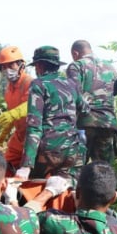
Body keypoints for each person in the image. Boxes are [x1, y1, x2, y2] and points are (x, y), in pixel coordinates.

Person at [15, 46, 87, 183]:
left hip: (49, 151)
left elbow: (34, 126)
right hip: (73, 149)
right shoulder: (71, 84)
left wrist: (26, 165)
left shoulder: (39, 85)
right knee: (66, 193)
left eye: (36, 66)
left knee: (33, 190)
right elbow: (84, 109)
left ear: (40, 66)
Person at [67, 40, 117, 164]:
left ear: (75, 53)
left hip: (84, 123)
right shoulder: (111, 68)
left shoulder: (76, 66)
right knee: (104, 167)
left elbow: (73, 95)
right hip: (107, 122)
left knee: (77, 167)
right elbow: (116, 92)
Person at [0, 46, 33, 173]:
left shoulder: (30, 83)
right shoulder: (9, 89)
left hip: (34, 136)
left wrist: (14, 113)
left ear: (21, 65)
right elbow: (12, 116)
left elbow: (33, 104)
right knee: (5, 167)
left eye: (11, 66)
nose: (7, 70)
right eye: (3, 67)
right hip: (19, 136)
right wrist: (4, 133)